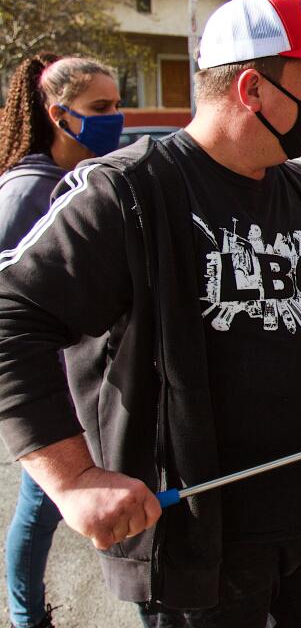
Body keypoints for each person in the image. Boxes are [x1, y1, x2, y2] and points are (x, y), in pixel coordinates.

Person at [0, 0, 301, 628]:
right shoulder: (127, 191)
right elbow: (11, 318)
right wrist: (73, 478)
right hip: (203, 544)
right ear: (252, 88)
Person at [0, 53, 123, 628]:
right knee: (40, 507)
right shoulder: (30, 191)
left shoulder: (85, 180)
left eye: (118, 105)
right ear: (58, 114)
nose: (115, 118)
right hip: (49, 382)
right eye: (101, 108)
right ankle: (27, 617)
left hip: (80, 375)